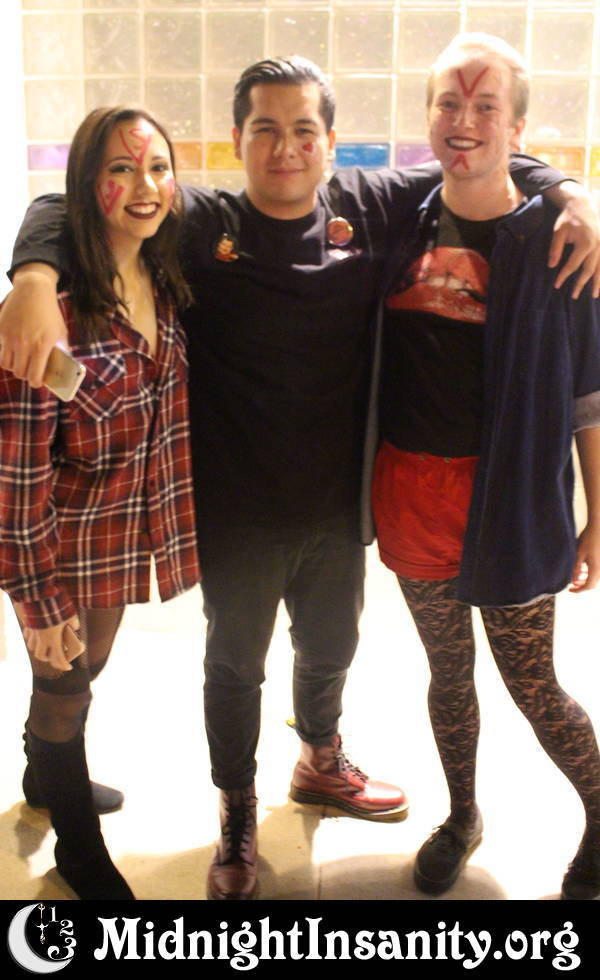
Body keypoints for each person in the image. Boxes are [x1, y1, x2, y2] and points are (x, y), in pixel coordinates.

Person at [1, 57, 599, 903]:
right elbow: (67, 203)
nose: (286, 147)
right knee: (235, 670)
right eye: (265, 129)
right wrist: (32, 276)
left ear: (330, 141)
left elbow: (479, 156)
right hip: (236, 514)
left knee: (331, 651)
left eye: (304, 129)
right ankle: (236, 813)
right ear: (237, 137)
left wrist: (572, 190)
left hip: (341, 511)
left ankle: (321, 759)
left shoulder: (372, 204)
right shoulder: (198, 222)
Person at [367, 33, 600, 900]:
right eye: (449, 103)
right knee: (448, 674)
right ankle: (462, 816)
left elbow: (590, 394)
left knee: (534, 685)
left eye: (486, 106)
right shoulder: (401, 215)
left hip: (511, 503)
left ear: (518, 127)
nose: (464, 121)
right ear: (428, 115)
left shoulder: (561, 239)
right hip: (408, 493)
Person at [0, 106, 200, 900]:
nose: (143, 185)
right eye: (120, 168)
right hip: (54, 546)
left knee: (88, 673)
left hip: (119, 539)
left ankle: (43, 775)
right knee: (65, 688)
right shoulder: (52, 316)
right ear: (88, 183)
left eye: (156, 167)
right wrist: (38, 600)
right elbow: (16, 481)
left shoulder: (166, 280)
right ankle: (78, 850)